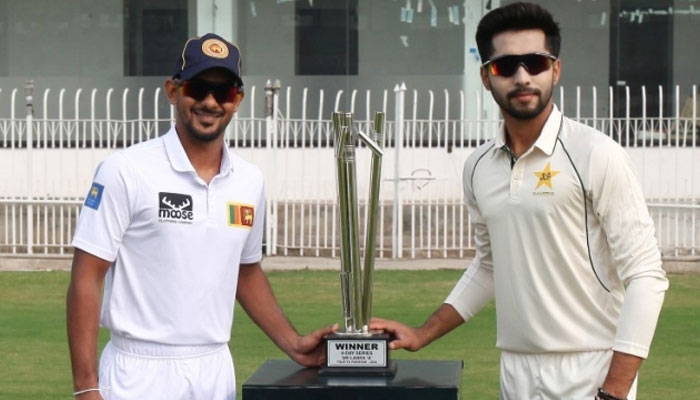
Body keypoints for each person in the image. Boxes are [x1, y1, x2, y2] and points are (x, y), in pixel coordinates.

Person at [371, 3, 668, 400]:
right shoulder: (478, 166)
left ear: (556, 69)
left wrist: (614, 390)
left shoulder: (596, 154)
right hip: (516, 370)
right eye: (505, 66)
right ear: (485, 76)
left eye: (535, 62)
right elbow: (489, 265)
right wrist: (424, 333)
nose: (523, 76)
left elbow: (646, 275)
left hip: (590, 369)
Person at [66, 33, 336, 400]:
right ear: (173, 91)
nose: (210, 102)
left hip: (213, 368)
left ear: (237, 100)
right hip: (137, 372)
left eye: (223, 92)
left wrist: (295, 344)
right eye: (198, 88)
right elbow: (86, 275)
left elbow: (246, 270)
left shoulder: (249, 181)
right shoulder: (125, 170)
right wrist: (86, 387)